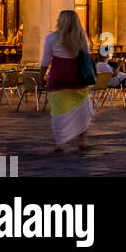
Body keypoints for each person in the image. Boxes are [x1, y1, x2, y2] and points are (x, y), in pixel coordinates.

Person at [39, 10, 95, 153]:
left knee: (58, 111)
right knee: (82, 110)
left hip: (58, 77)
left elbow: (45, 61)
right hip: (77, 77)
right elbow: (86, 58)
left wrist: (41, 77)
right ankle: (82, 141)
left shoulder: (51, 38)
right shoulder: (82, 38)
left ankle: (60, 143)